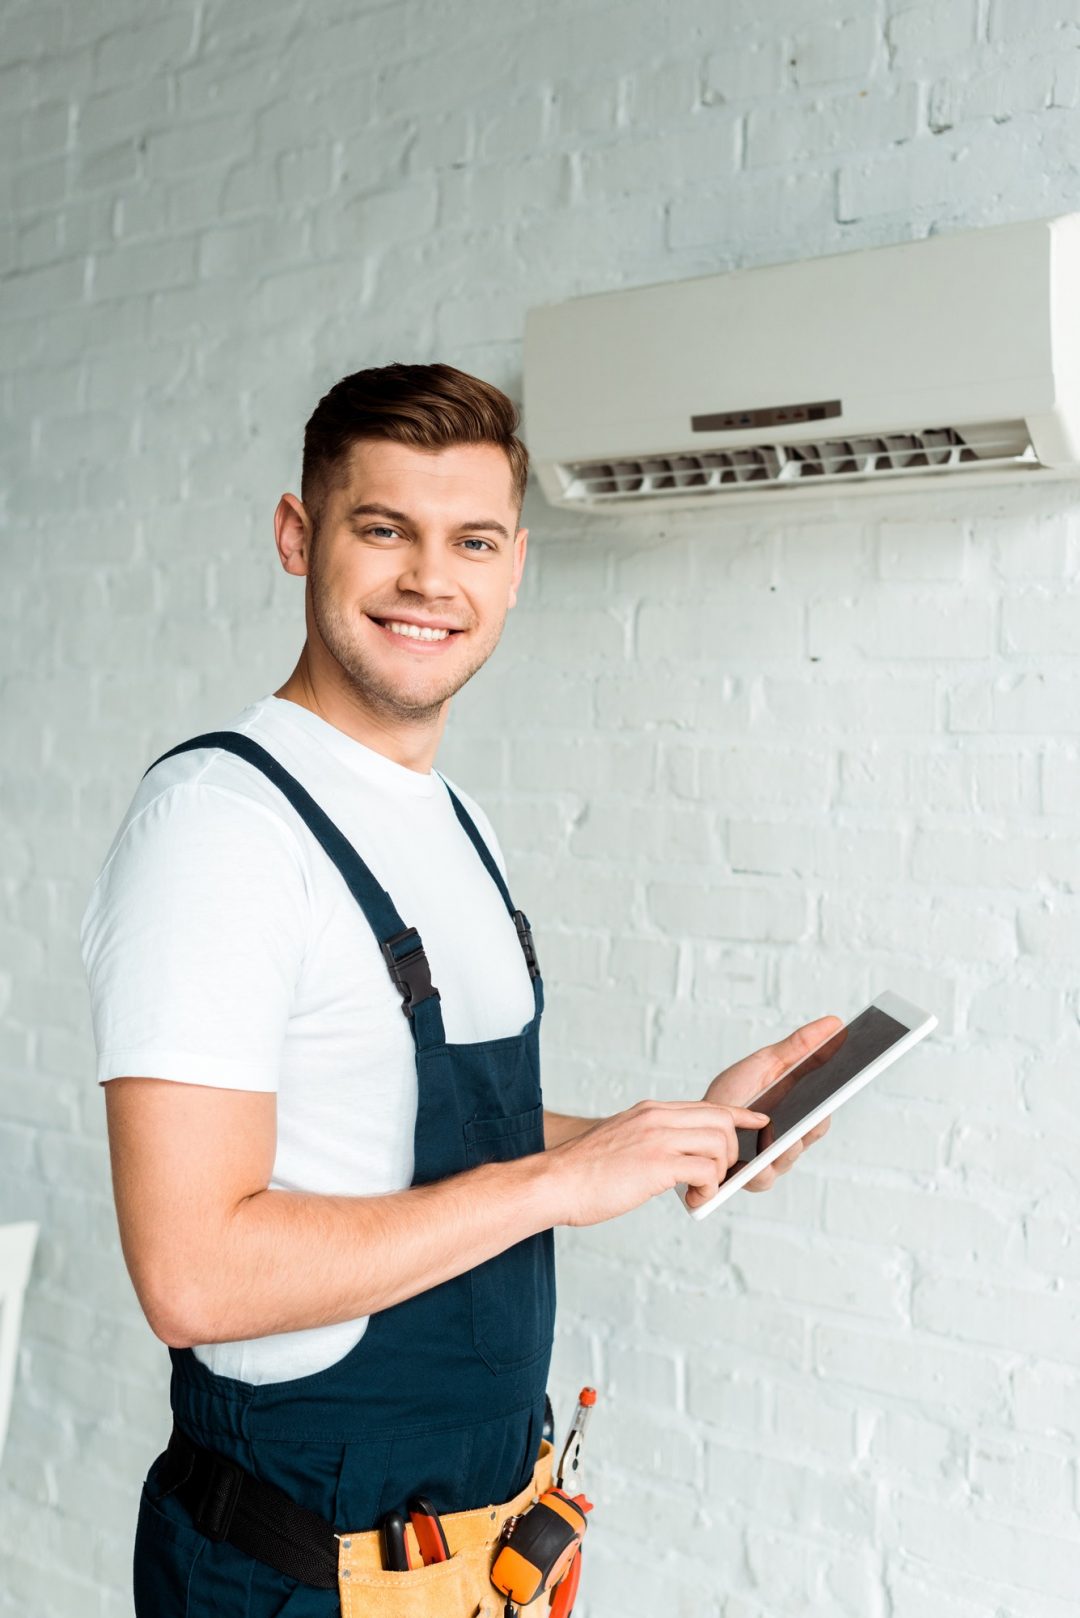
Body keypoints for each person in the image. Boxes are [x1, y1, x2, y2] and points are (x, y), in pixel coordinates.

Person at [80, 362, 837, 1617]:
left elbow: (394, 1125)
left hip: (478, 1559)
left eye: (471, 540)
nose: (432, 579)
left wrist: (671, 1138)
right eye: (385, 530)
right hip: (295, 1569)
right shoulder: (219, 828)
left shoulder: (456, 822)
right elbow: (193, 1270)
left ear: (515, 568)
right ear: (296, 536)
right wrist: (555, 1186)